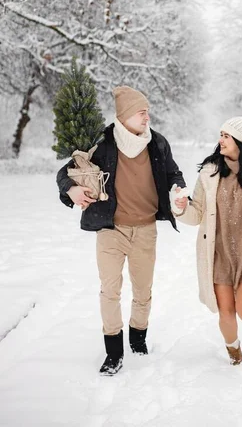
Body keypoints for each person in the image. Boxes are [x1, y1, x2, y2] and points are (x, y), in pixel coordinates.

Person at [56, 86, 188, 375]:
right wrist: (73, 189)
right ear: (125, 116)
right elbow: (65, 173)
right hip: (111, 229)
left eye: (147, 111)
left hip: (145, 229)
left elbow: (172, 173)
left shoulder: (157, 143)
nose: (147, 117)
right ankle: (113, 353)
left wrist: (177, 190)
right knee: (110, 291)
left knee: (143, 290)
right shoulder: (101, 144)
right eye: (141, 112)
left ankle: (138, 340)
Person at [173, 114, 242, 365]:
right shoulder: (209, 173)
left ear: (241, 142)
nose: (220, 140)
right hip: (218, 253)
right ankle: (233, 351)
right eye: (220, 134)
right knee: (226, 311)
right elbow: (197, 213)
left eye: (226, 136)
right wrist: (179, 208)